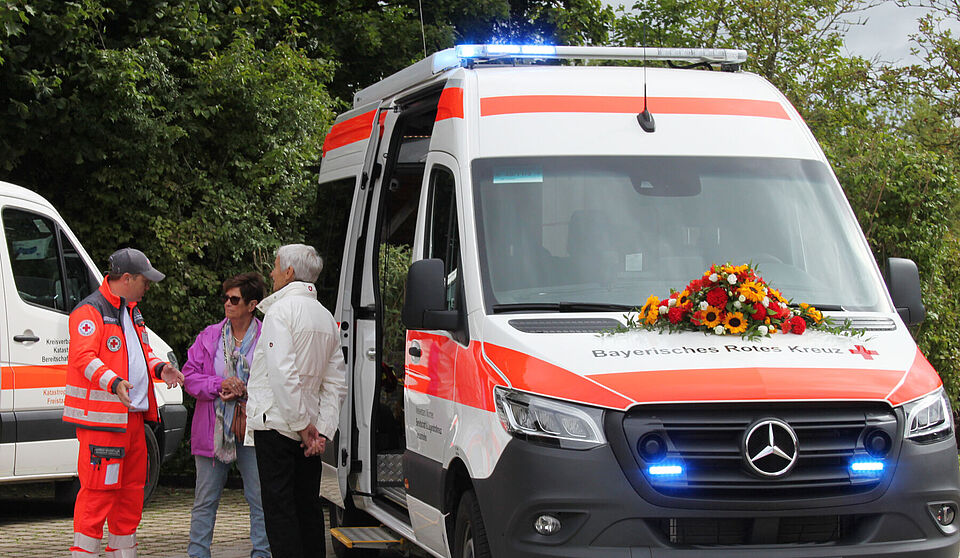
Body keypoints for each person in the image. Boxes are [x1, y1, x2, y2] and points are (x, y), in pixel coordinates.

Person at [64, 248, 184, 558]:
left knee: (131, 495)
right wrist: (113, 382)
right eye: (145, 281)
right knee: (98, 495)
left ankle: (123, 552)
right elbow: (83, 358)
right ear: (127, 278)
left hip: (133, 419)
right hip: (103, 421)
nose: (148, 287)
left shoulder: (132, 311)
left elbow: (140, 355)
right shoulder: (89, 312)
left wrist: (161, 369)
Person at [245, 244, 347, 558]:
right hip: (311, 433)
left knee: (280, 513)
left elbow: (282, 374)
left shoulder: (279, 312)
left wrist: (304, 428)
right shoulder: (326, 317)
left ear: (289, 272)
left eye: (276, 266)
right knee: (307, 508)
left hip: (277, 425)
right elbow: (336, 383)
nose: (272, 273)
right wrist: (322, 431)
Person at [182, 272, 270, 558]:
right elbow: (189, 377)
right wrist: (219, 384)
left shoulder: (269, 338)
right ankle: (197, 555)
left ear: (252, 304)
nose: (227, 304)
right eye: (226, 298)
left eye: (235, 299)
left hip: (254, 428)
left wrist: (245, 390)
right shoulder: (208, 336)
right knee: (205, 499)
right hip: (212, 429)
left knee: (259, 498)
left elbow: (277, 381)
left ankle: (262, 554)